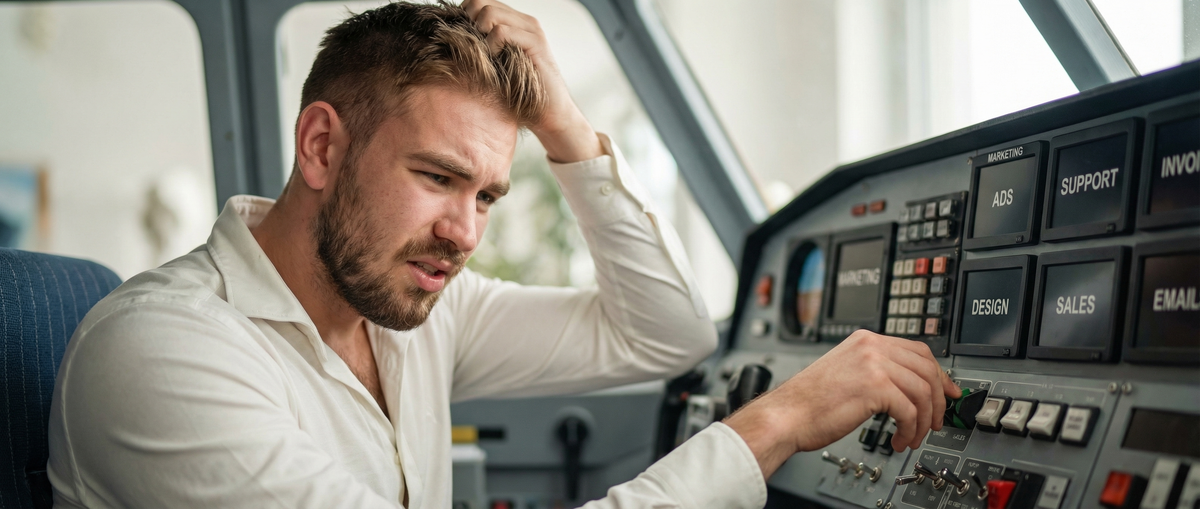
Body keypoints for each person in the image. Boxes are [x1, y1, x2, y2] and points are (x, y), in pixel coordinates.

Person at [46, 1, 959, 507]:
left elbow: (666, 334)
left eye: (486, 194)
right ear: (321, 146)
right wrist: (777, 422)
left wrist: (567, 129)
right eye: (438, 177)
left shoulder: (408, 308)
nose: (465, 231)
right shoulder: (159, 351)